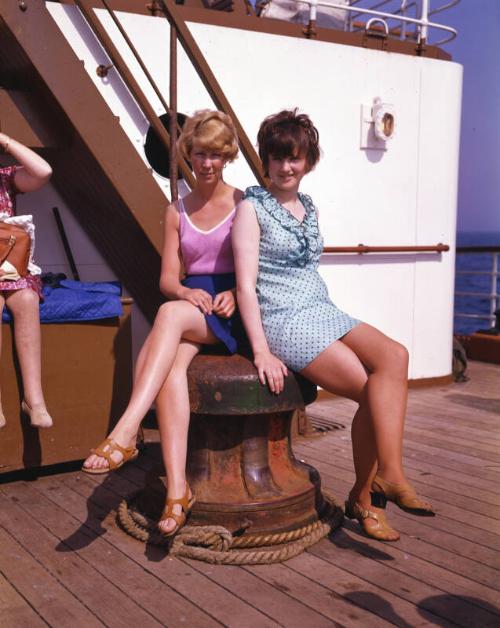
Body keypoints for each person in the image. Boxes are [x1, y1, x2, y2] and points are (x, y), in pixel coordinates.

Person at [232, 109, 434, 542]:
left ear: (308, 161)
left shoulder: (309, 206)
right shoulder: (251, 209)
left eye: (296, 158)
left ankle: (387, 478)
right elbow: (246, 287)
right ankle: (369, 498)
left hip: (320, 307)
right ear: (265, 160)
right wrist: (261, 348)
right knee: (373, 392)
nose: (287, 167)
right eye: (279, 157)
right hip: (284, 318)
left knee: (395, 356)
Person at [83, 110, 243, 536]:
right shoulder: (177, 211)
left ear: (226, 156)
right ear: (187, 154)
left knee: (168, 317)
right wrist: (186, 291)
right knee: (170, 361)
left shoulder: (244, 204)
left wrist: (238, 294)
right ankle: (177, 492)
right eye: (199, 153)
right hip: (194, 307)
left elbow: (259, 270)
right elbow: (168, 279)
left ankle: (127, 430)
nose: (206, 163)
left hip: (231, 312)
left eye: (214, 154)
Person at [0, 131, 53, 429]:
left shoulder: (5, 178)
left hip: (10, 269)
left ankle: (35, 400)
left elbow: (43, 171)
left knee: (28, 298)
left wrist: (5, 141)